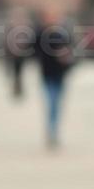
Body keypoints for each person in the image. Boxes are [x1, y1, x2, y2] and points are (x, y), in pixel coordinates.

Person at [33, 12, 74, 149]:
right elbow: (33, 52)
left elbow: (72, 53)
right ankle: (51, 130)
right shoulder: (39, 34)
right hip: (47, 75)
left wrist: (65, 55)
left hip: (60, 74)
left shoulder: (63, 35)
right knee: (52, 102)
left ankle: (53, 130)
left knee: (56, 104)